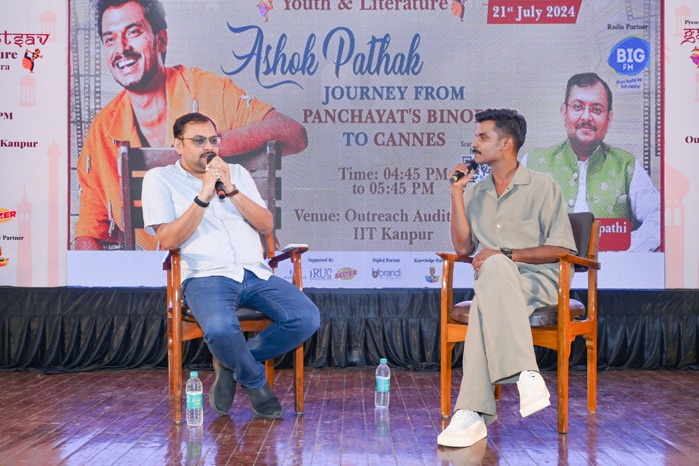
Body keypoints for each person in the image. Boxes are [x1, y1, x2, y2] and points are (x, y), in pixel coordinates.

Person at [74, 0, 307, 250]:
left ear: (161, 40)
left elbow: (294, 134)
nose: (121, 48)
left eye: (133, 32)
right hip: (164, 270)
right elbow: (88, 233)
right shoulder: (103, 130)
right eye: (110, 39)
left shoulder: (208, 90)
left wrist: (209, 146)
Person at [142, 112, 319, 419]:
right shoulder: (160, 178)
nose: (208, 147)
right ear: (178, 145)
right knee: (220, 328)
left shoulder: (236, 172)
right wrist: (204, 195)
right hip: (205, 276)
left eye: (213, 140)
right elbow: (169, 239)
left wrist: (232, 189)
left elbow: (266, 225)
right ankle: (256, 382)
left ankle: (231, 364)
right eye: (199, 141)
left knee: (306, 318)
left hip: (254, 272)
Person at [437, 109, 576, 448]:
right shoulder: (474, 192)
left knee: (494, 271)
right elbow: (463, 247)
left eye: (482, 136)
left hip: (538, 281)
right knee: (491, 278)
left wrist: (507, 254)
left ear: (506, 143)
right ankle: (526, 375)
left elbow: (561, 248)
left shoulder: (543, 186)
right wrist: (456, 193)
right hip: (494, 283)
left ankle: (471, 413)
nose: (474, 143)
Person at [523, 72, 660, 251]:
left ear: (609, 118)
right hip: (547, 266)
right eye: (578, 107)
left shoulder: (626, 166)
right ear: (564, 112)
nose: (586, 117)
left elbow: (659, 218)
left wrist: (623, 250)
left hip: (610, 266)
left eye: (596, 109)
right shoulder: (533, 163)